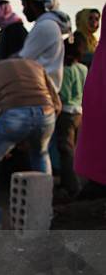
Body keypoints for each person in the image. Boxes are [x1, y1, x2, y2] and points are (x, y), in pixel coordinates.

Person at [0, 58, 61, 230]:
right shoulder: (34, 65)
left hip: (13, 117)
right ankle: (43, 214)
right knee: (40, 154)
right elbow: (56, 103)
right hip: (46, 112)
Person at [74, 3, 106, 199]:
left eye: (97, 19)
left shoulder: (96, 43)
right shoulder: (78, 40)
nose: (94, 23)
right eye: (91, 19)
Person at [18, 0, 71, 90]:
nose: (23, 11)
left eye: (25, 6)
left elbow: (22, 59)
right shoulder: (48, 24)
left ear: (33, 5)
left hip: (39, 91)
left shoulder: (45, 25)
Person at [56, 38, 88, 199]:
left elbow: (65, 95)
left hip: (67, 113)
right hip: (80, 113)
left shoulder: (65, 70)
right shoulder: (83, 69)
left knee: (66, 151)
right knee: (74, 149)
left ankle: (71, 186)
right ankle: (76, 182)